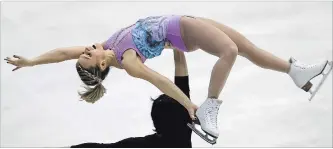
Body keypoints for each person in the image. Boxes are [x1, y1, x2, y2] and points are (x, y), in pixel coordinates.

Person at [5, 15, 331, 142]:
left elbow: (63, 52)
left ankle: (295, 71)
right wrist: (192, 106)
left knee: (246, 47)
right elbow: (162, 83)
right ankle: (211, 106)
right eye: (86, 56)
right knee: (230, 51)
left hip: (181, 23)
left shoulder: (104, 46)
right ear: (99, 68)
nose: (85, 48)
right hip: (181, 31)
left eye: (84, 51)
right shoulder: (127, 61)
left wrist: (31, 60)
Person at [70, 49, 192, 148]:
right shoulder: (182, 131)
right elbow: (181, 73)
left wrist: (176, 44)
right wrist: (178, 45)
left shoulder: (140, 145)